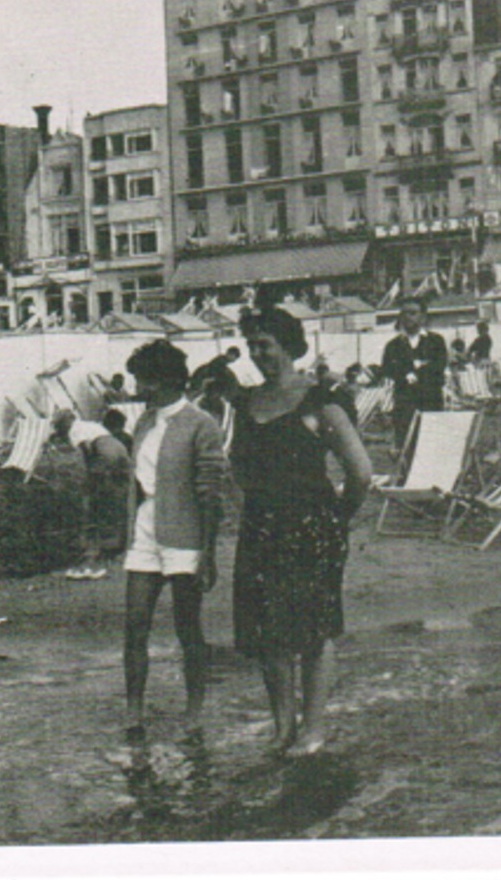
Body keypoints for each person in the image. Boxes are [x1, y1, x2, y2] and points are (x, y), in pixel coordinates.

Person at [232, 306, 373, 755]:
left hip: (312, 526)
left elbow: (361, 472)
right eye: (252, 346)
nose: (258, 354)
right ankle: (282, 728)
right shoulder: (245, 403)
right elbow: (236, 468)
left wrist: (337, 517)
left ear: (288, 346)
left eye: (266, 345)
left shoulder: (321, 400)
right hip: (261, 528)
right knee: (267, 633)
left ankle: (313, 728)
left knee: (313, 631)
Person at [119, 340, 229, 738]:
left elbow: (211, 495)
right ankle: (134, 710)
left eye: (143, 381)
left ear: (165, 380)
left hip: (185, 536)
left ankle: (194, 709)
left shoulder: (201, 424)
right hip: (146, 531)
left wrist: (208, 554)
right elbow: (137, 482)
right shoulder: (144, 423)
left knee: (188, 628)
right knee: (134, 624)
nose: (138, 389)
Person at [52, 407, 131, 581]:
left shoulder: (75, 430)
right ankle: (115, 547)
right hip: (120, 450)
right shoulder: (90, 424)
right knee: (117, 500)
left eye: (59, 426)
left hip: (105, 453)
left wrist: (89, 479)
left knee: (99, 502)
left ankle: (97, 553)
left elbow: (86, 452)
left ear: (66, 422)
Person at [380, 296, 448, 449]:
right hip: (405, 406)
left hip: (431, 403)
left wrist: (414, 373)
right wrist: (415, 369)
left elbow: (439, 366)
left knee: (431, 447)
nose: (407, 317)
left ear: (423, 316)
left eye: (413, 313)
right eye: (404, 313)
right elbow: (388, 369)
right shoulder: (393, 346)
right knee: (406, 448)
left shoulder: (436, 341)